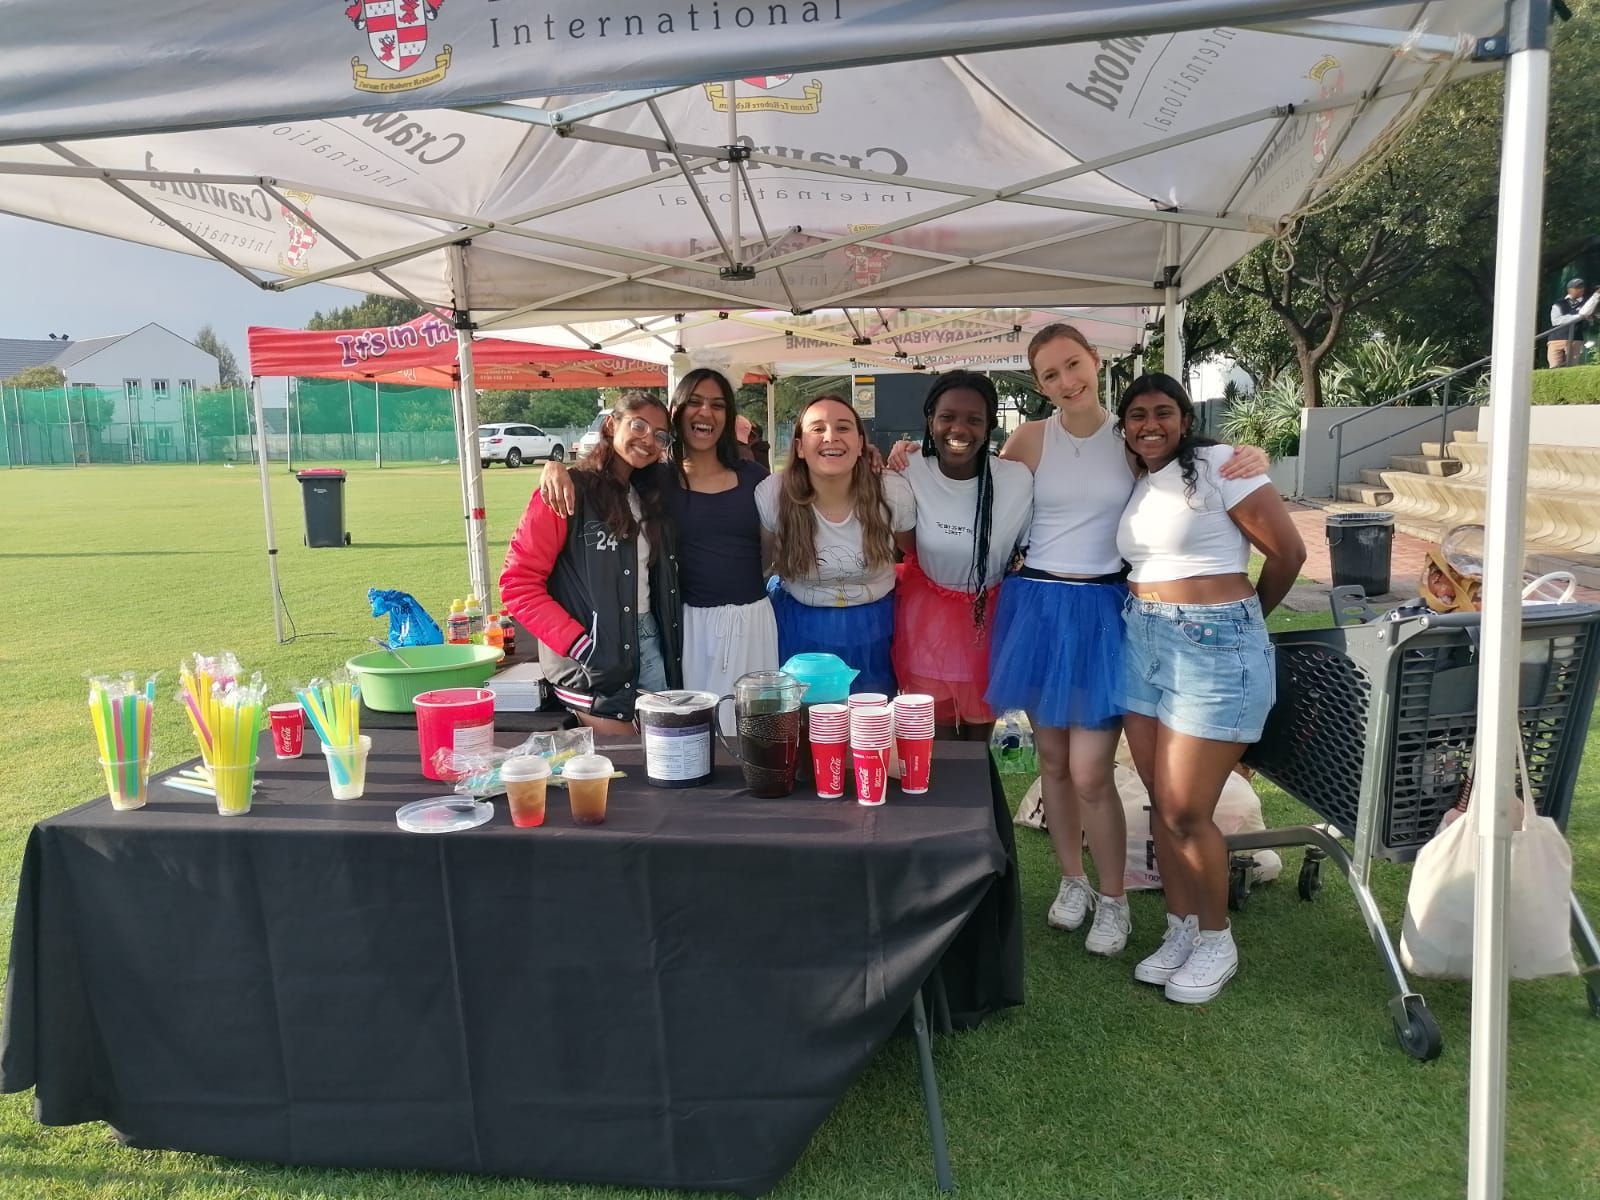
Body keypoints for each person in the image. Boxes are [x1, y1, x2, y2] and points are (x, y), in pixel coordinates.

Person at [984, 323, 1268, 958]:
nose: (1067, 382)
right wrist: (902, 460)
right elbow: (983, 498)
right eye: (1050, 374)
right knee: (1052, 763)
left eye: (1074, 365)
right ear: (1038, 384)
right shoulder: (1028, 439)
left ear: (1095, 360)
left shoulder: (1131, 437)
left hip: (1107, 607)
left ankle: (1113, 900)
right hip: (1038, 605)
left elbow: (1192, 461)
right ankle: (1072, 881)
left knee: (1091, 771)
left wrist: (1252, 456)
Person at [1115, 373, 1305, 1003]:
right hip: (1142, 640)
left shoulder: (1222, 463)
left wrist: (1245, 621)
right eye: (1137, 415)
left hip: (1214, 645)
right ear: (1124, 425)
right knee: (1159, 801)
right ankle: (1183, 926)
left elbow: (1288, 554)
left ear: (1185, 418)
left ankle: (1218, 939)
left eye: (1162, 412)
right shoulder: (1139, 480)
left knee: (1186, 810)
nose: (1149, 424)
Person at [539, 369, 778, 703]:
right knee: (692, 728)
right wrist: (556, 468)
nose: (705, 412)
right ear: (677, 413)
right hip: (684, 629)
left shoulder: (755, 478)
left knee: (753, 730)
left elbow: (778, 543)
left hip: (752, 624)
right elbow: (604, 472)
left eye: (718, 405)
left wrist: (866, 458)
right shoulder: (653, 480)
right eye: (694, 402)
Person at [500, 391, 682, 736]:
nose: (648, 439)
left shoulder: (650, 494)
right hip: (590, 656)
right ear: (611, 425)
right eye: (638, 425)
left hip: (648, 642)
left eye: (660, 435)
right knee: (629, 768)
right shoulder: (566, 491)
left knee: (664, 759)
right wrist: (582, 645)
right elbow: (518, 584)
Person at [889, 371, 1033, 740]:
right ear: (930, 421)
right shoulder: (907, 470)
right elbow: (902, 539)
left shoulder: (1017, 480)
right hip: (926, 623)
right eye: (947, 416)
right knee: (933, 745)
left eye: (974, 419)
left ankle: (984, 799)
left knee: (978, 746)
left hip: (990, 623)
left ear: (989, 428)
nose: (959, 429)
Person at [757, 394, 916, 696]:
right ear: (800, 447)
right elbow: (763, 565)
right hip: (798, 628)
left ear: (860, 443)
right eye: (817, 428)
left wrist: (912, 455)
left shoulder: (893, 491)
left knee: (868, 726)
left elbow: (915, 553)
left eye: (843, 427)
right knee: (805, 729)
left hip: (878, 630)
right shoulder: (773, 494)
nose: (831, 436)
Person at [1548, 277, 1599, 368]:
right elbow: (1556, 321)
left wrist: (1595, 297)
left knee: (1571, 368)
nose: (1580, 290)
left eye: (1582, 287)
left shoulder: (1587, 303)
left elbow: (1587, 313)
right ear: (1569, 290)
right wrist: (1578, 317)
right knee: (1554, 368)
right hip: (1555, 339)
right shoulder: (1559, 303)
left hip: (1575, 339)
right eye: (1577, 288)